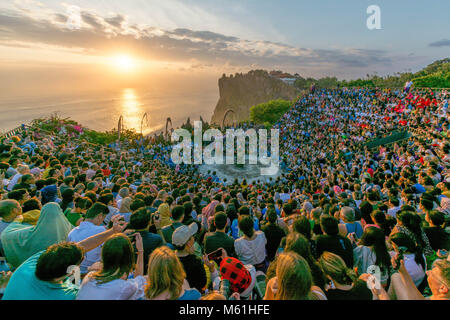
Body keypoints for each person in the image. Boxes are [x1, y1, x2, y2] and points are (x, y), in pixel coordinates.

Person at [2, 215, 128, 300]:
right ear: (69, 270)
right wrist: (92, 274)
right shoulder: (66, 296)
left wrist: (112, 231)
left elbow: (81, 247)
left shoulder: (31, 263)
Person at [1, 202, 73, 269]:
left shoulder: (32, 231)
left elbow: (7, 234)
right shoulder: (70, 228)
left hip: (33, 269)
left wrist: (16, 222)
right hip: (60, 268)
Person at [76, 233, 146, 300]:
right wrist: (140, 251)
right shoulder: (124, 287)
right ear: (128, 258)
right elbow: (139, 279)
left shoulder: (89, 276)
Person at [67, 202, 109, 274]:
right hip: (92, 273)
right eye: (103, 218)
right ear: (99, 216)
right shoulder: (101, 231)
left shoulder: (72, 232)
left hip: (73, 272)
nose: (102, 221)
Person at [172, 222, 207, 292]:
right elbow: (203, 283)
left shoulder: (168, 259)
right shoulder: (196, 261)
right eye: (192, 236)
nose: (194, 238)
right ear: (188, 243)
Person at [128, 208, 164, 273]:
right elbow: (165, 252)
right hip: (151, 273)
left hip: (133, 274)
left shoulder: (127, 239)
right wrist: (158, 228)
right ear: (149, 223)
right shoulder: (156, 239)